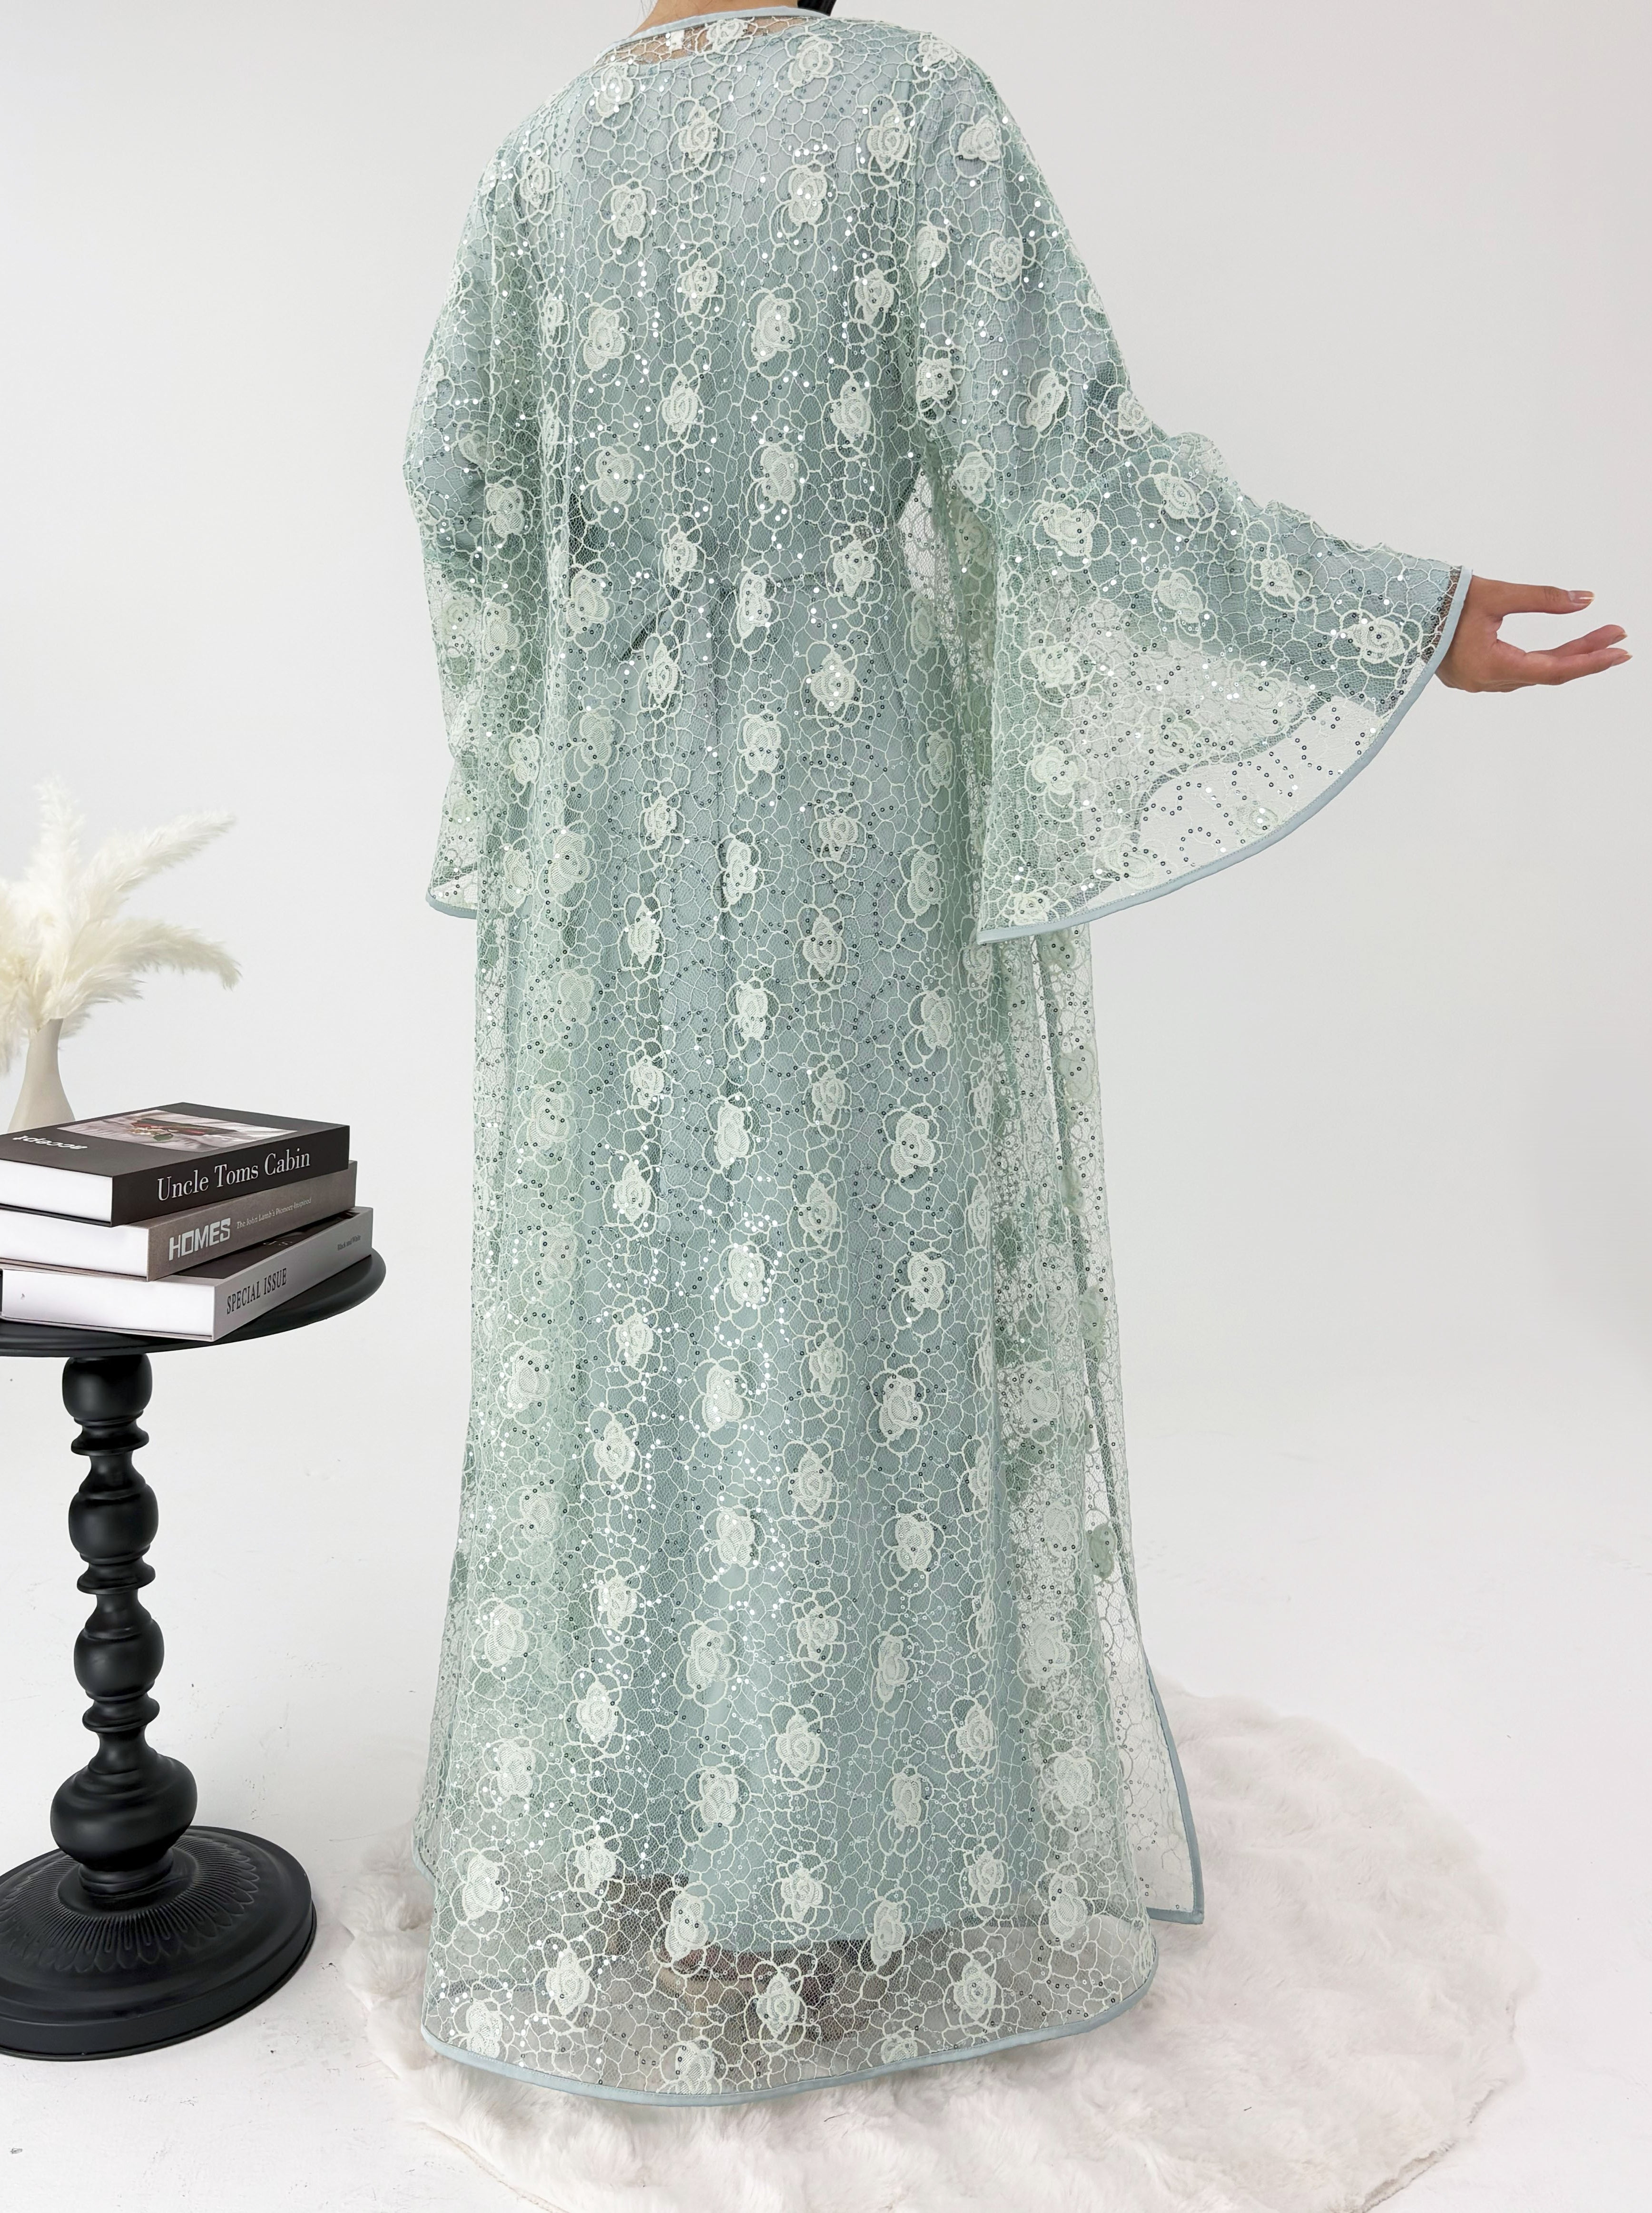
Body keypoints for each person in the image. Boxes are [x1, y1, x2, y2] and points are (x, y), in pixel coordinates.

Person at [403, 0, 1626, 2106]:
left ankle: (667, 1822)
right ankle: (849, 1852)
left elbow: (453, 481)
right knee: (848, 1294)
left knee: (654, 1297)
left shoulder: (541, 163)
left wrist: (550, 740)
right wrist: (1399, 615)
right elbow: (1067, 465)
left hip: (616, 827)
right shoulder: (914, 114)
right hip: (844, 806)